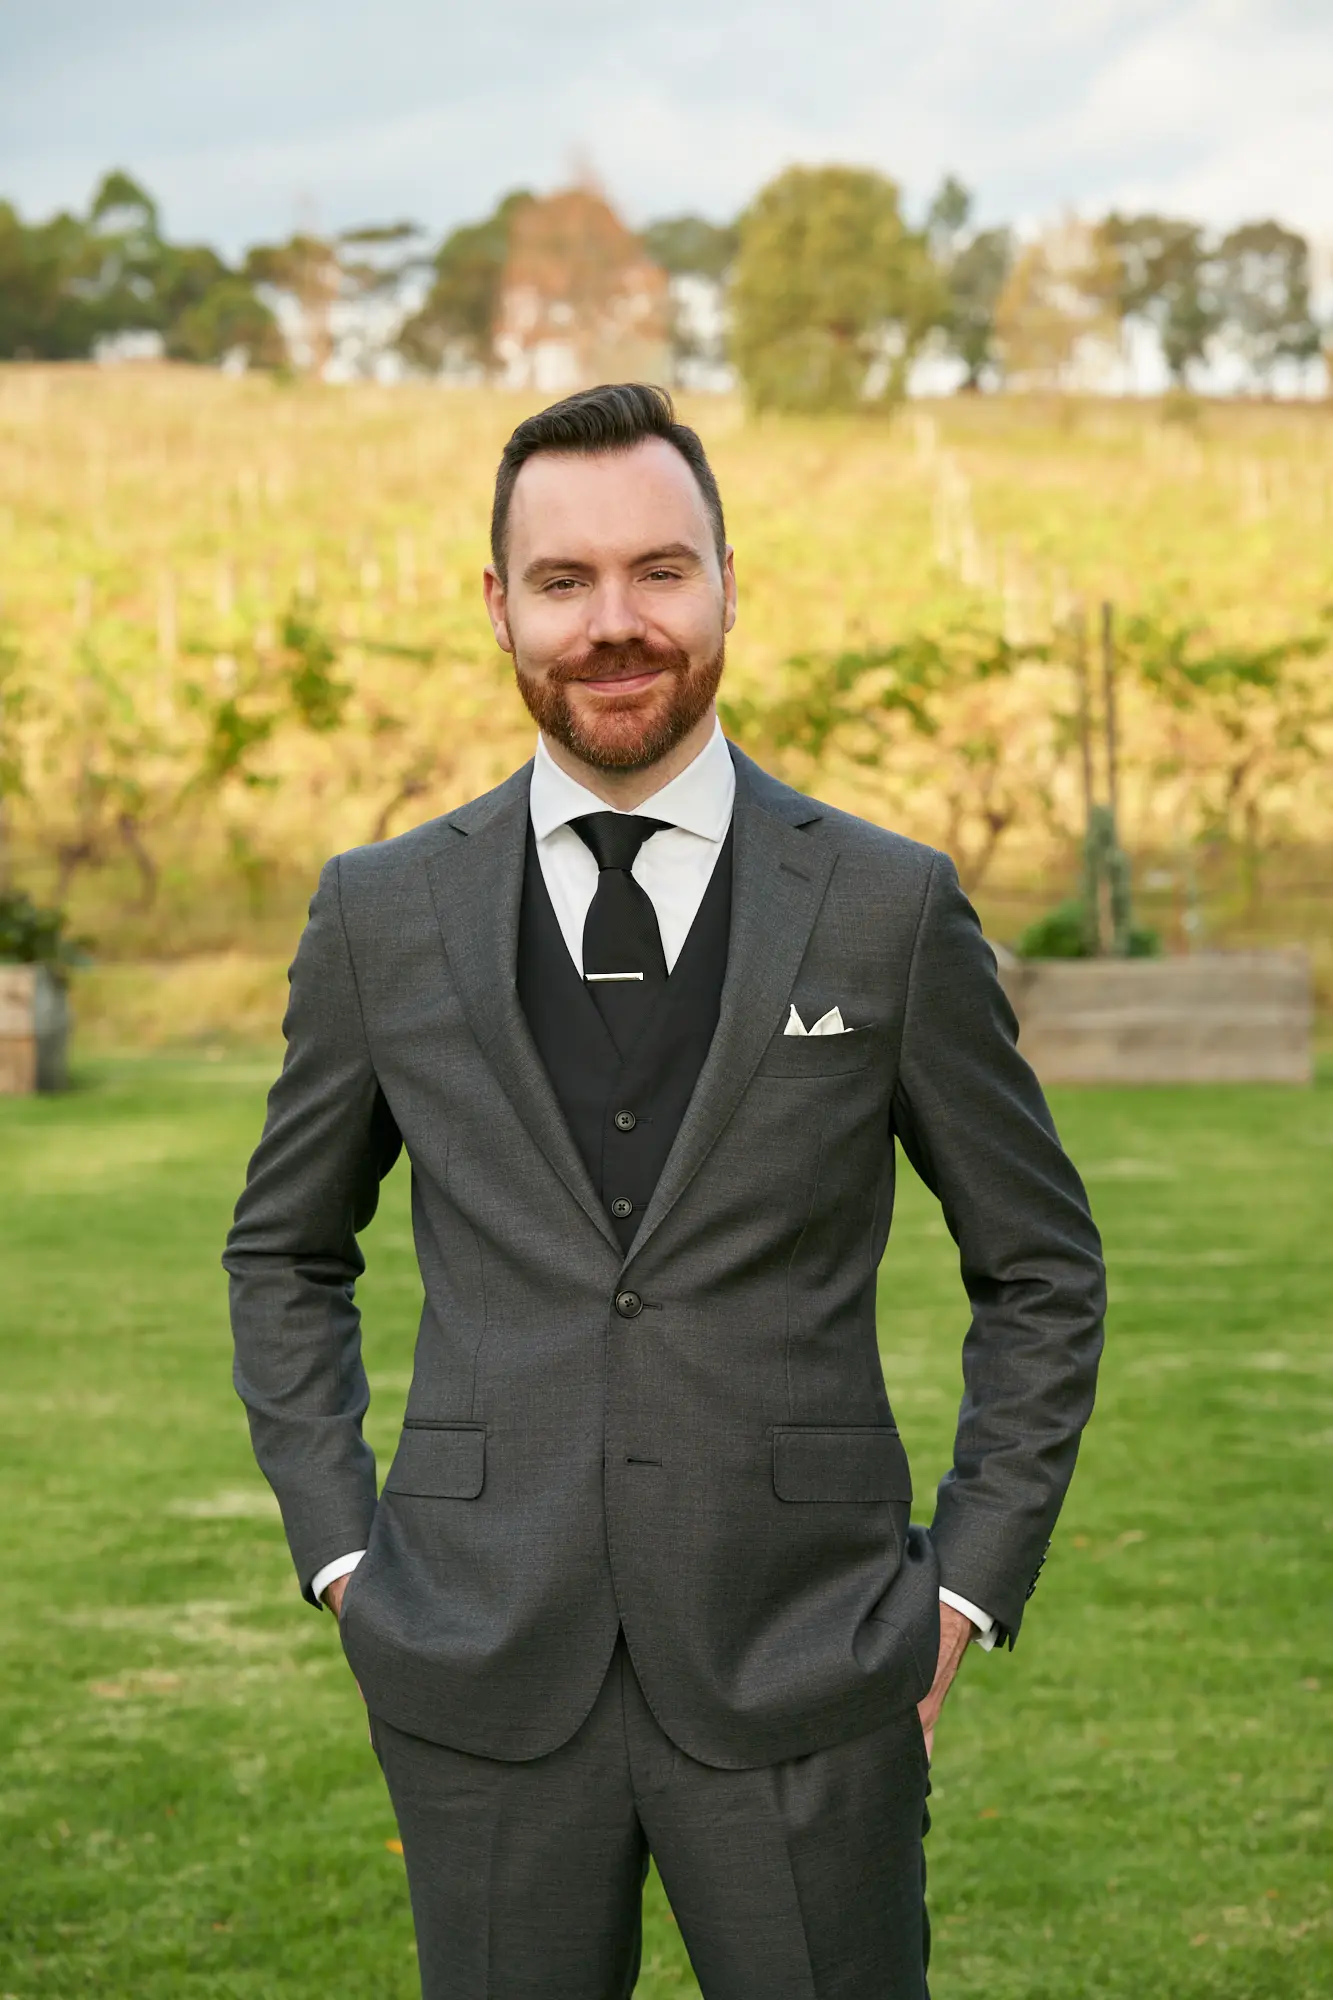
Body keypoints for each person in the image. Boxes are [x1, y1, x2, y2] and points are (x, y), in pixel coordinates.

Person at [225, 382, 1104, 2000]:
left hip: (810, 1656)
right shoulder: (380, 914)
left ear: (727, 582)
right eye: (563, 581)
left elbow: (1041, 1263)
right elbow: (285, 1250)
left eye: (659, 571)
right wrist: (345, 1556)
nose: (614, 624)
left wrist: (964, 1585)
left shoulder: (885, 909)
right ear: (498, 605)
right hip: (474, 1659)